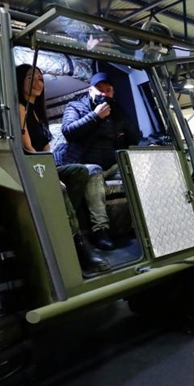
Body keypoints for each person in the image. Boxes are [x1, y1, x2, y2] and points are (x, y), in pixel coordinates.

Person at [15, 65, 109, 273]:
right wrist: (51, 177)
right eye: (31, 78)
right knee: (59, 187)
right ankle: (79, 245)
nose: (38, 83)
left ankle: (63, 222)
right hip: (30, 168)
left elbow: (46, 149)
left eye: (40, 79)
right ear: (20, 81)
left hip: (44, 166)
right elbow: (28, 149)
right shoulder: (20, 108)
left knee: (80, 171)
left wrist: (54, 171)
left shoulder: (38, 113)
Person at [55, 71, 140, 250]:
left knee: (135, 168)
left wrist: (125, 119)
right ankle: (100, 230)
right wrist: (95, 116)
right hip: (83, 164)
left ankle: (139, 226)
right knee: (94, 170)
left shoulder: (117, 112)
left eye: (108, 90)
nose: (104, 94)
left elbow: (133, 139)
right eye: (100, 90)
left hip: (111, 165)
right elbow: (68, 131)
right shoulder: (75, 107)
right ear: (90, 91)